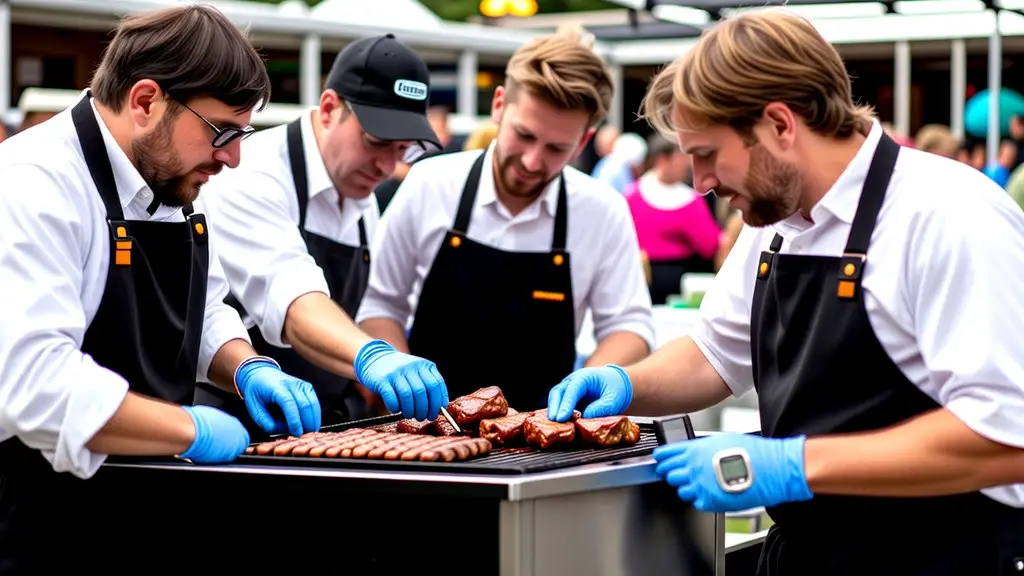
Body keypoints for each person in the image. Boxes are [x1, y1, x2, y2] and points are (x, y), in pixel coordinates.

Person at [547, 9, 1024, 574]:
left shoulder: (947, 215)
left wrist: (792, 464)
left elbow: (1004, 437)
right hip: (809, 554)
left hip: (938, 557)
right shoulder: (774, 224)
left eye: (707, 154)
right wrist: (627, 385)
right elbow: (713, 356)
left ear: (779, 124)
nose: (700, 183)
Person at [0, 5, 322, 571]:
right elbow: (34, 381)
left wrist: (247, 367)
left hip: (145, 507)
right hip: (38, 518)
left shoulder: (165, 179)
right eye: (222, 131)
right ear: (146, 101)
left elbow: (206, 312)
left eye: (243, 134)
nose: (233, 157)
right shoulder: (33, 182)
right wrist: (189, 427)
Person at [356, 25, 654, 412]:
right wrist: (400, 384)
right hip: (425, 426)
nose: (532, 162)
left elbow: (629, 326)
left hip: (545, 435)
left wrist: (584, 392)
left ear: (583, 141)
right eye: (524, 135)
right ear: (499, 105)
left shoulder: (602, 210)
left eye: (556, 148)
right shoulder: (431, 184)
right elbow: (379, 305)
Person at [199, 33, 449, 432]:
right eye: (377, 142)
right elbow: (293, 301)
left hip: (324, 424)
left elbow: (365, 308)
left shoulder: (362, 198)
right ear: (330, 107)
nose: (388, 166)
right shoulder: (252, 173)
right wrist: (370, 356)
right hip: (238, 420)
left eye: (402, 149)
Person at [625, 134, 720, 304]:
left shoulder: (690, 199)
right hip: (641, 283)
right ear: (663, 160)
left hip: (682, 290)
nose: (687, 164)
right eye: (682, 157)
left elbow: (709, 245)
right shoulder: (632, 197)